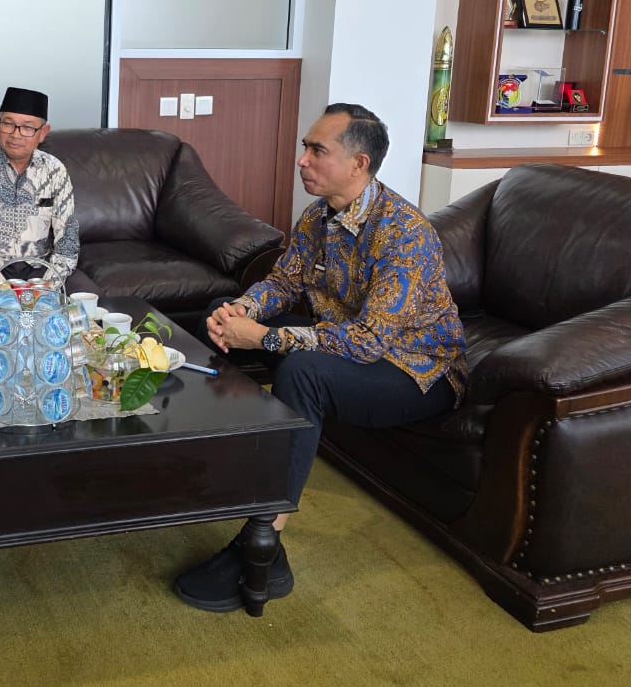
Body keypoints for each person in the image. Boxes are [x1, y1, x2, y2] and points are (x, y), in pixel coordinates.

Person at [173, 103, 468, 611]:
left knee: (303, 370)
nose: (302, 160)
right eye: (305, 148)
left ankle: (262, 544)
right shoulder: (319, 215)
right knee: (214, 315)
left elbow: (368, 341)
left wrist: (262, 338)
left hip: (416, 370)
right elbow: (284, 282)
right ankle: (217, 468)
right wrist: (242, 312)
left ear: (358, 164)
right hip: (348, 344)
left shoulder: (405, 234)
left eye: (317, 150)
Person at [0, 86, 99, 304]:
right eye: (8, 124)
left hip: (40, 267)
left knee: (86, 299)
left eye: (27, 128)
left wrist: (48, 286)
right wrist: (2, 289)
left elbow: (68, 240)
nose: (16, 134)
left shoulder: (55, 171)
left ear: (42, 133)